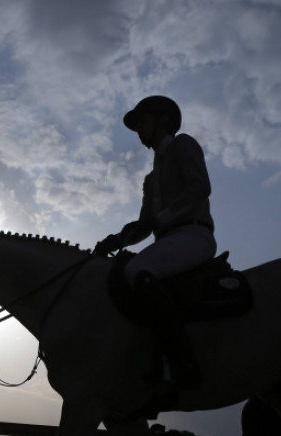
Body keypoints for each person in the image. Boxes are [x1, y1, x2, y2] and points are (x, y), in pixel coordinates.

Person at [95, 95, 217, 390]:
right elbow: (144, 226)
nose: (138, 130)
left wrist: (161, 218)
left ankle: (180, 365)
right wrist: (117, 240)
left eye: (142, 122)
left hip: (193, 234)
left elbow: (200, 187)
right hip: (167, 241)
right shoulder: (150, 180)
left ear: (163, 120)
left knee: (136, 272)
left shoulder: (182, 144)